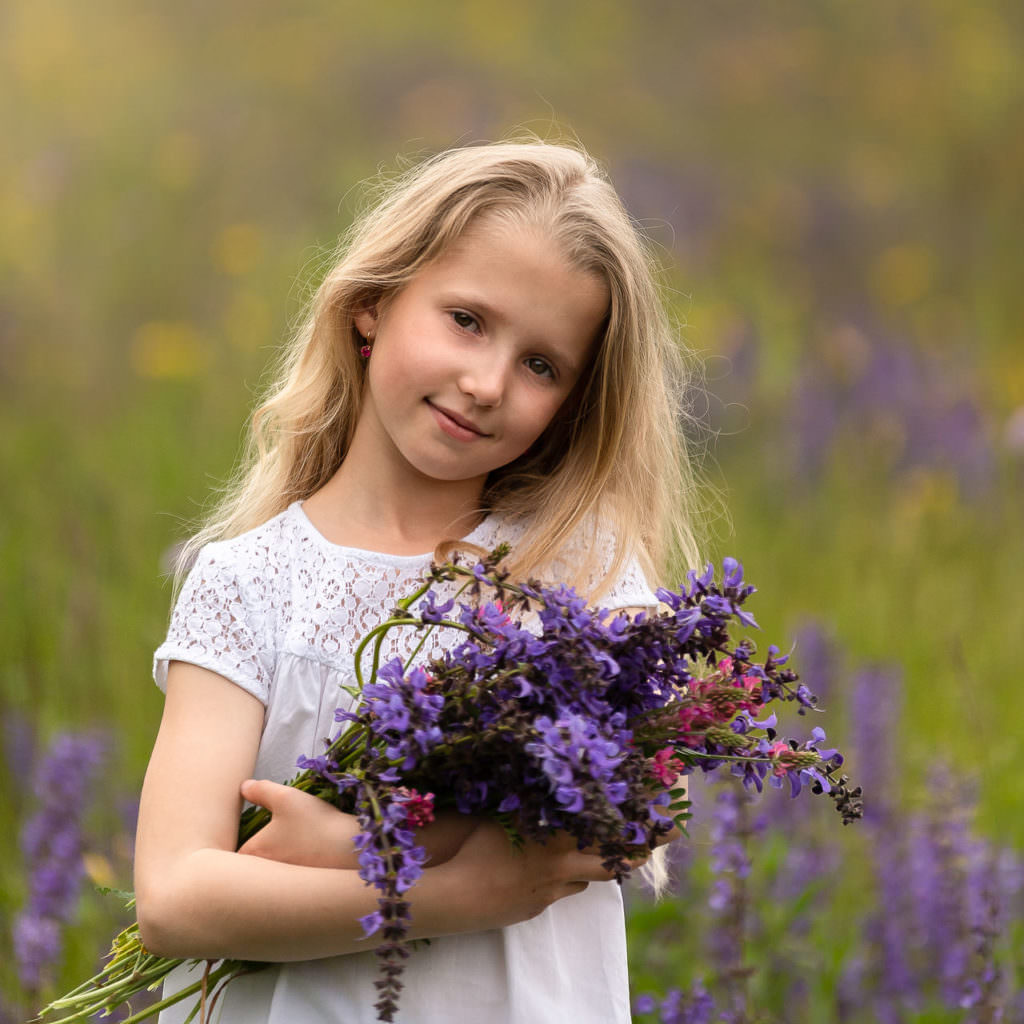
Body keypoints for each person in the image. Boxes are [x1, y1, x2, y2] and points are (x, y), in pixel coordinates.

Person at [135, 138, 704, 1024]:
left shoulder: (576, 567)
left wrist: (356, 842)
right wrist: (449, 887)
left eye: (541, 365)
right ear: (372, 305)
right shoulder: (249, 580)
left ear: (573, 404)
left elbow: (623, 812)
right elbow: (174, 896)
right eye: (467, 320)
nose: (486, 383)